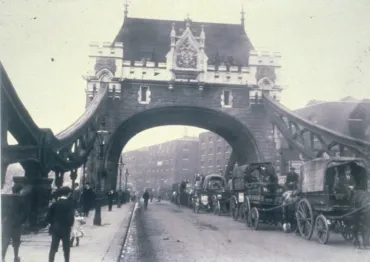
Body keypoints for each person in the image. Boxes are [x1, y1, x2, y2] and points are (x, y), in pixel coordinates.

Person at [47, 186, 75, 262]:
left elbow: (48, 216)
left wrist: (52, 223)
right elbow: (71, 217)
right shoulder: (70, 204)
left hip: (55, 228)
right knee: (66, 248)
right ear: (68, 194)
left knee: (53, 247)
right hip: (66, 229)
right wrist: (70, 224)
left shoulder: (55, 204)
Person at [2, 185, 27, 262]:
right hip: (17, 223)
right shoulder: (22, 199)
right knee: (16, 241)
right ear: (20, 191)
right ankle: (16, 257)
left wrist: (3, 219)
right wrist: (22, 221)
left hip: (7, 223)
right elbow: (25, 212)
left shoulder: (5, 198)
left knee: (5, 241)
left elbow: (2, 210)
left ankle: (2, 257)